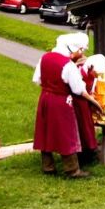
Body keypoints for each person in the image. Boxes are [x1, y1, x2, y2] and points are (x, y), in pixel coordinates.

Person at [33, 32, 97, 178]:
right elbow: (78, 89)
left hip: (45, 98)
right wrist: (93, 101)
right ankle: (72, 169)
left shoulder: (44, 58)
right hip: (61, 102)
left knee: (46, 130)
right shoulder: (67, 65)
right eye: (79, 50)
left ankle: (48, 166)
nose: (80, 53)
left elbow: (37, 79)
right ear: (72, 48)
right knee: (66, 134)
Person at [72, 53, 105, 167]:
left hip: (86, 103)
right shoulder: (78, 72)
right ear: (91, 67)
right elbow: (80, 90)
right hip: (77, 102)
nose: (97, 76)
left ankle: (90, 151)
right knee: (80, 128)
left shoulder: (92, 75)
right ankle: (81, 155)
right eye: (96, 73)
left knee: (88, 127)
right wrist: (94, 102)